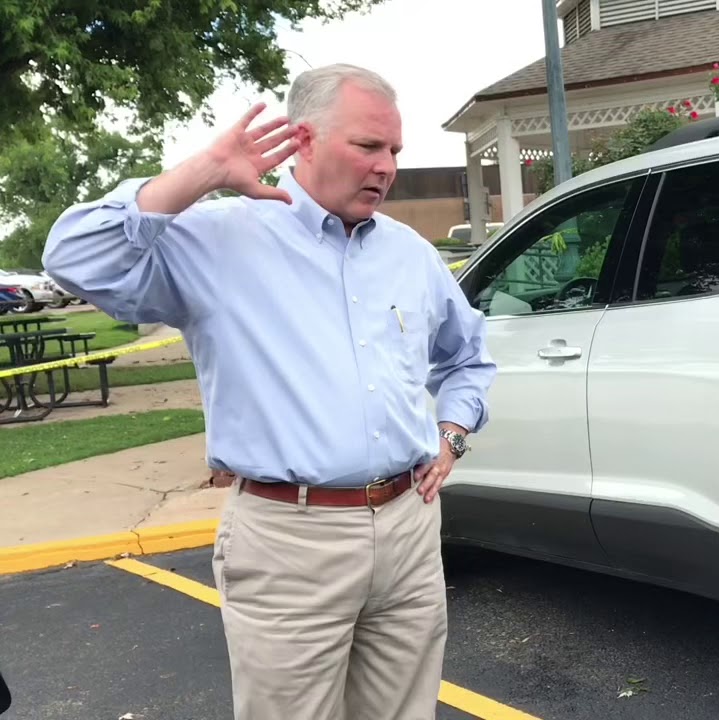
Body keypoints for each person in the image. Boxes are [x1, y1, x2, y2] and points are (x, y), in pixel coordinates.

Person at [42, 63, 496, 720]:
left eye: (394, 150)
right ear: (304, 141)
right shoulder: (219, 239)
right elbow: (74, 256)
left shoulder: (409, 254)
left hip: (408, 530)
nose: (387, 167)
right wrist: (206, 170)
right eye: (368, 146)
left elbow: (469, 359)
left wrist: (452, 434)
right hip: (290, 539)